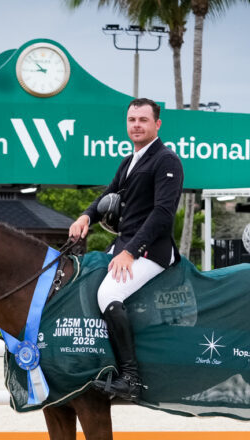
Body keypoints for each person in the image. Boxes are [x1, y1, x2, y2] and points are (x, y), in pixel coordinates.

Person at [68, 97, 185, 400]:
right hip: (123, 245)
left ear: (157, 124)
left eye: (143, 120)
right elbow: (108, 195)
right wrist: (86, 217)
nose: (136, 125)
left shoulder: (166, 160)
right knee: (85, 280)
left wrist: (130, 252)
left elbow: (162, 214)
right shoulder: (129, 161)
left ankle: (131, 378)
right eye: (132, 120)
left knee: (109, 294)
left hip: (151, 250)